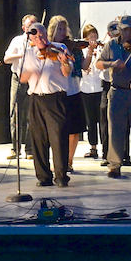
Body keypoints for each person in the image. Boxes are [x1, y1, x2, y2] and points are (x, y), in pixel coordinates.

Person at [97, 15, 131, 179]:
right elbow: (99, 63)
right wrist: (112, 64)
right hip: (117, 91)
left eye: (130, 29)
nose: (128, 33)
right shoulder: (112, 44)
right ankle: (114, 165)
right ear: (119, 29)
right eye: (125, 29)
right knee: (115, 129)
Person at [20, 22, 72, 187]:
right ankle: (43, 177)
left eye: (42, 35)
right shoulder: (28, 53)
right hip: (36, 98)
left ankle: (61, 176)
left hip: (55, 98)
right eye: (35, 37)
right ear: (31, 39)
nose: (40, 39)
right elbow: (22, 78)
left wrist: (64, 62)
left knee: (58, 138)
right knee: (38, 139)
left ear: (46, 34)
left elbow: (67, 73)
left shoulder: (59, 47)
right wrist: (31, 72)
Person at [48, 16, 89, 172]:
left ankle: (69, 161)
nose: (63, 31)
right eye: (59, 29)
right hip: (59, 92)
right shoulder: (49, 47)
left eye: (64, 28)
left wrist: (89, 51)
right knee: (58, 130)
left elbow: (83, 66)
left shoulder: (73, 47)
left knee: (74, 129)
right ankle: (58, 161)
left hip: (74, 90)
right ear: (52, 30)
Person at [2, 14, 37, 160]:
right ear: (24, 27)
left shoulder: (39, 41)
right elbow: (6, 59)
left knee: (31, 115)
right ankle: (15, 148)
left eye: (35, 24)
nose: (33, 27)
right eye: (30, 25)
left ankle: (29, 149)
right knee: (15, 114)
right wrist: (22, 54)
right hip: (17, 78)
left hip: (33, 79)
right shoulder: (17, 41)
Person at [79, 24, 104, 159]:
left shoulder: (101, 50)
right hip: (86, 89)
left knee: (102, 120)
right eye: (90, 37)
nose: (93, 40)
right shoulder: (82, 51)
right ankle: (93, 147)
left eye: (95, 36)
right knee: (91, 121)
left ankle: (105, 147)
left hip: (99, 88)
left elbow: (103, 68)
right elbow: (80, 68)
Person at [98, 19, 120, 166]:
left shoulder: (123, 46)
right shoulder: (106, 46)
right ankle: (106, 153)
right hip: (107, 84)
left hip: (119, 84)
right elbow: (99, 65)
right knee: (105, 120)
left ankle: (122, 155)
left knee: (120, 121)